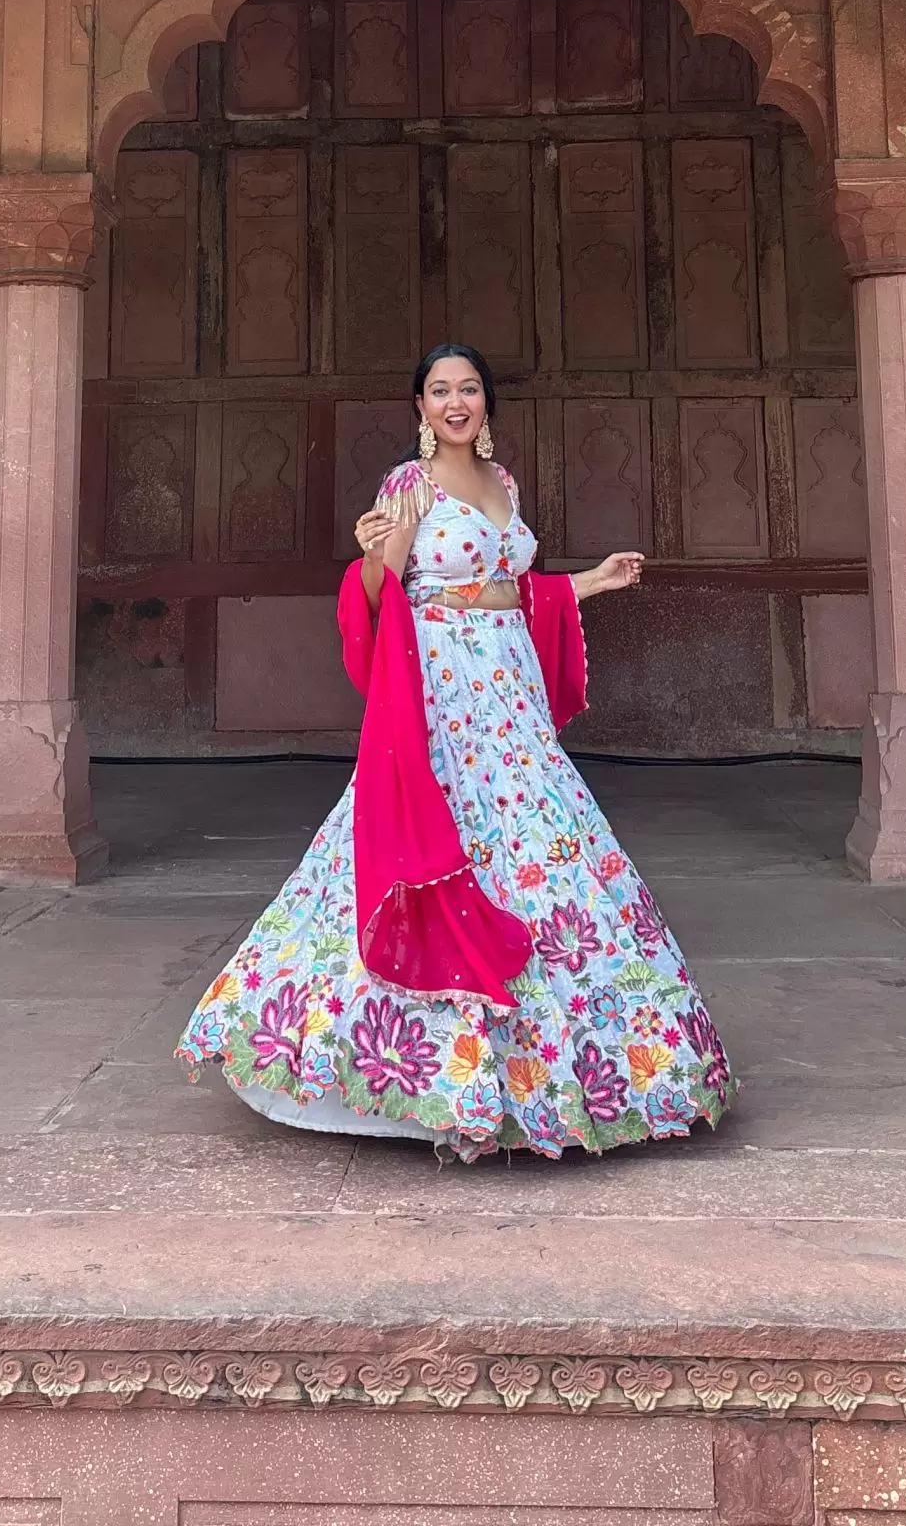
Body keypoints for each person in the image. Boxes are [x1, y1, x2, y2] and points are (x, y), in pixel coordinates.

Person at [177, 344, 733, 1159]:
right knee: (438, 841)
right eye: (440, 391)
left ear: (487, 405)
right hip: (442, 696)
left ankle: (582, 1070)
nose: (455, 401)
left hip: (511, 698)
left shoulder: (502, 486)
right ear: (420, 410)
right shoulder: (408, 487)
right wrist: (373, 555)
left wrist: (592, 582)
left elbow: (506, 588)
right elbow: (384, 592)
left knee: (545, 850)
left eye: (468, 388)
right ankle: (416, 1072)